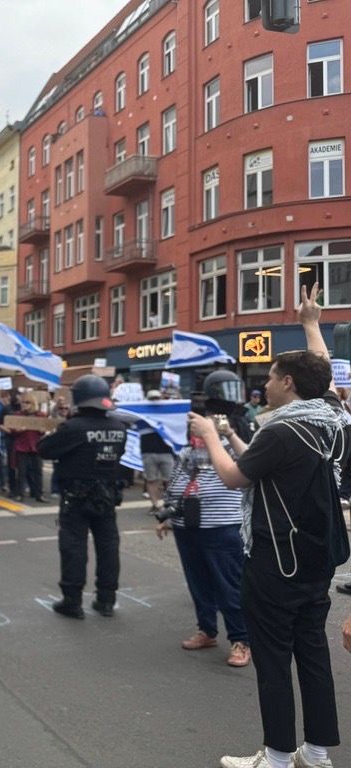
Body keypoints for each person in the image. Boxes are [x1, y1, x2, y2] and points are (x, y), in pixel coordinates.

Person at [190, 284, 349, 768]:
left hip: (275, 559)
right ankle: (317, 751)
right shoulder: (336, 418)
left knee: (275, 659)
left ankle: (277, 757)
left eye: (274, 376)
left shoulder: (280, 430)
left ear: (289, 385)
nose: (267, 382)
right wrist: (310, 323)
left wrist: (210, 437)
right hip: (319, 557)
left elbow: (235, 478)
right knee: (313, 654)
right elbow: (322, 378)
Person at [154, 433, 250, 667]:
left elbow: (247, 474)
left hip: (222, 526)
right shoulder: (187, 452)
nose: (194, 431)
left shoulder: (232, 448)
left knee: (229, 585)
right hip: (187, 526)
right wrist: (167, 515)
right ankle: (207, 630)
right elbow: (176, 485)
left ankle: (241, 640)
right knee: (198, 583)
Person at [37, 375, 127, 619]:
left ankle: (72, 600)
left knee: (74, 547)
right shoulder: (119, 428)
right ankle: (106, 599)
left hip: (75, 497)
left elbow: (44, 449)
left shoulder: (73, 428)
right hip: (107, 495)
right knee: (108, 547)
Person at [139, 389, 176, 515]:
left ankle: (170, 504)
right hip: (148, 452)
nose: (154, 402)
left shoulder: (168, 413)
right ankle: (156, 504)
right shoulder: (141, 414)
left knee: (170, 479)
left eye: (156, 399)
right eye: (152, 399)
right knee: (151, 480)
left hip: (165, 451)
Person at [7, 393, 47, 503]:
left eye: (27, 402)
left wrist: (42, 431)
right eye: (23, 402)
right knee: (21, 472)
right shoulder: (18, 415)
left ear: (33, 403)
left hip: (36, 446)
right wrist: (17, 430)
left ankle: (39, 494)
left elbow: (44, 430)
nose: (25, 405)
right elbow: (12, 431)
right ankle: (21, 494)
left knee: (38, 471)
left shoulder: (41, 415)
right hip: (22, 446)